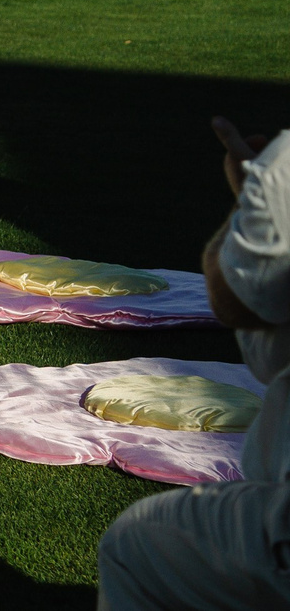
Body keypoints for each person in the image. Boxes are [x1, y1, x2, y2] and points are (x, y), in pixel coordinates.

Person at [93, 117, 290, 610]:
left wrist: (249, 196)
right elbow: (272, 351)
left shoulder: (283, 169)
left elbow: (236, 301)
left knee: (137, 544)